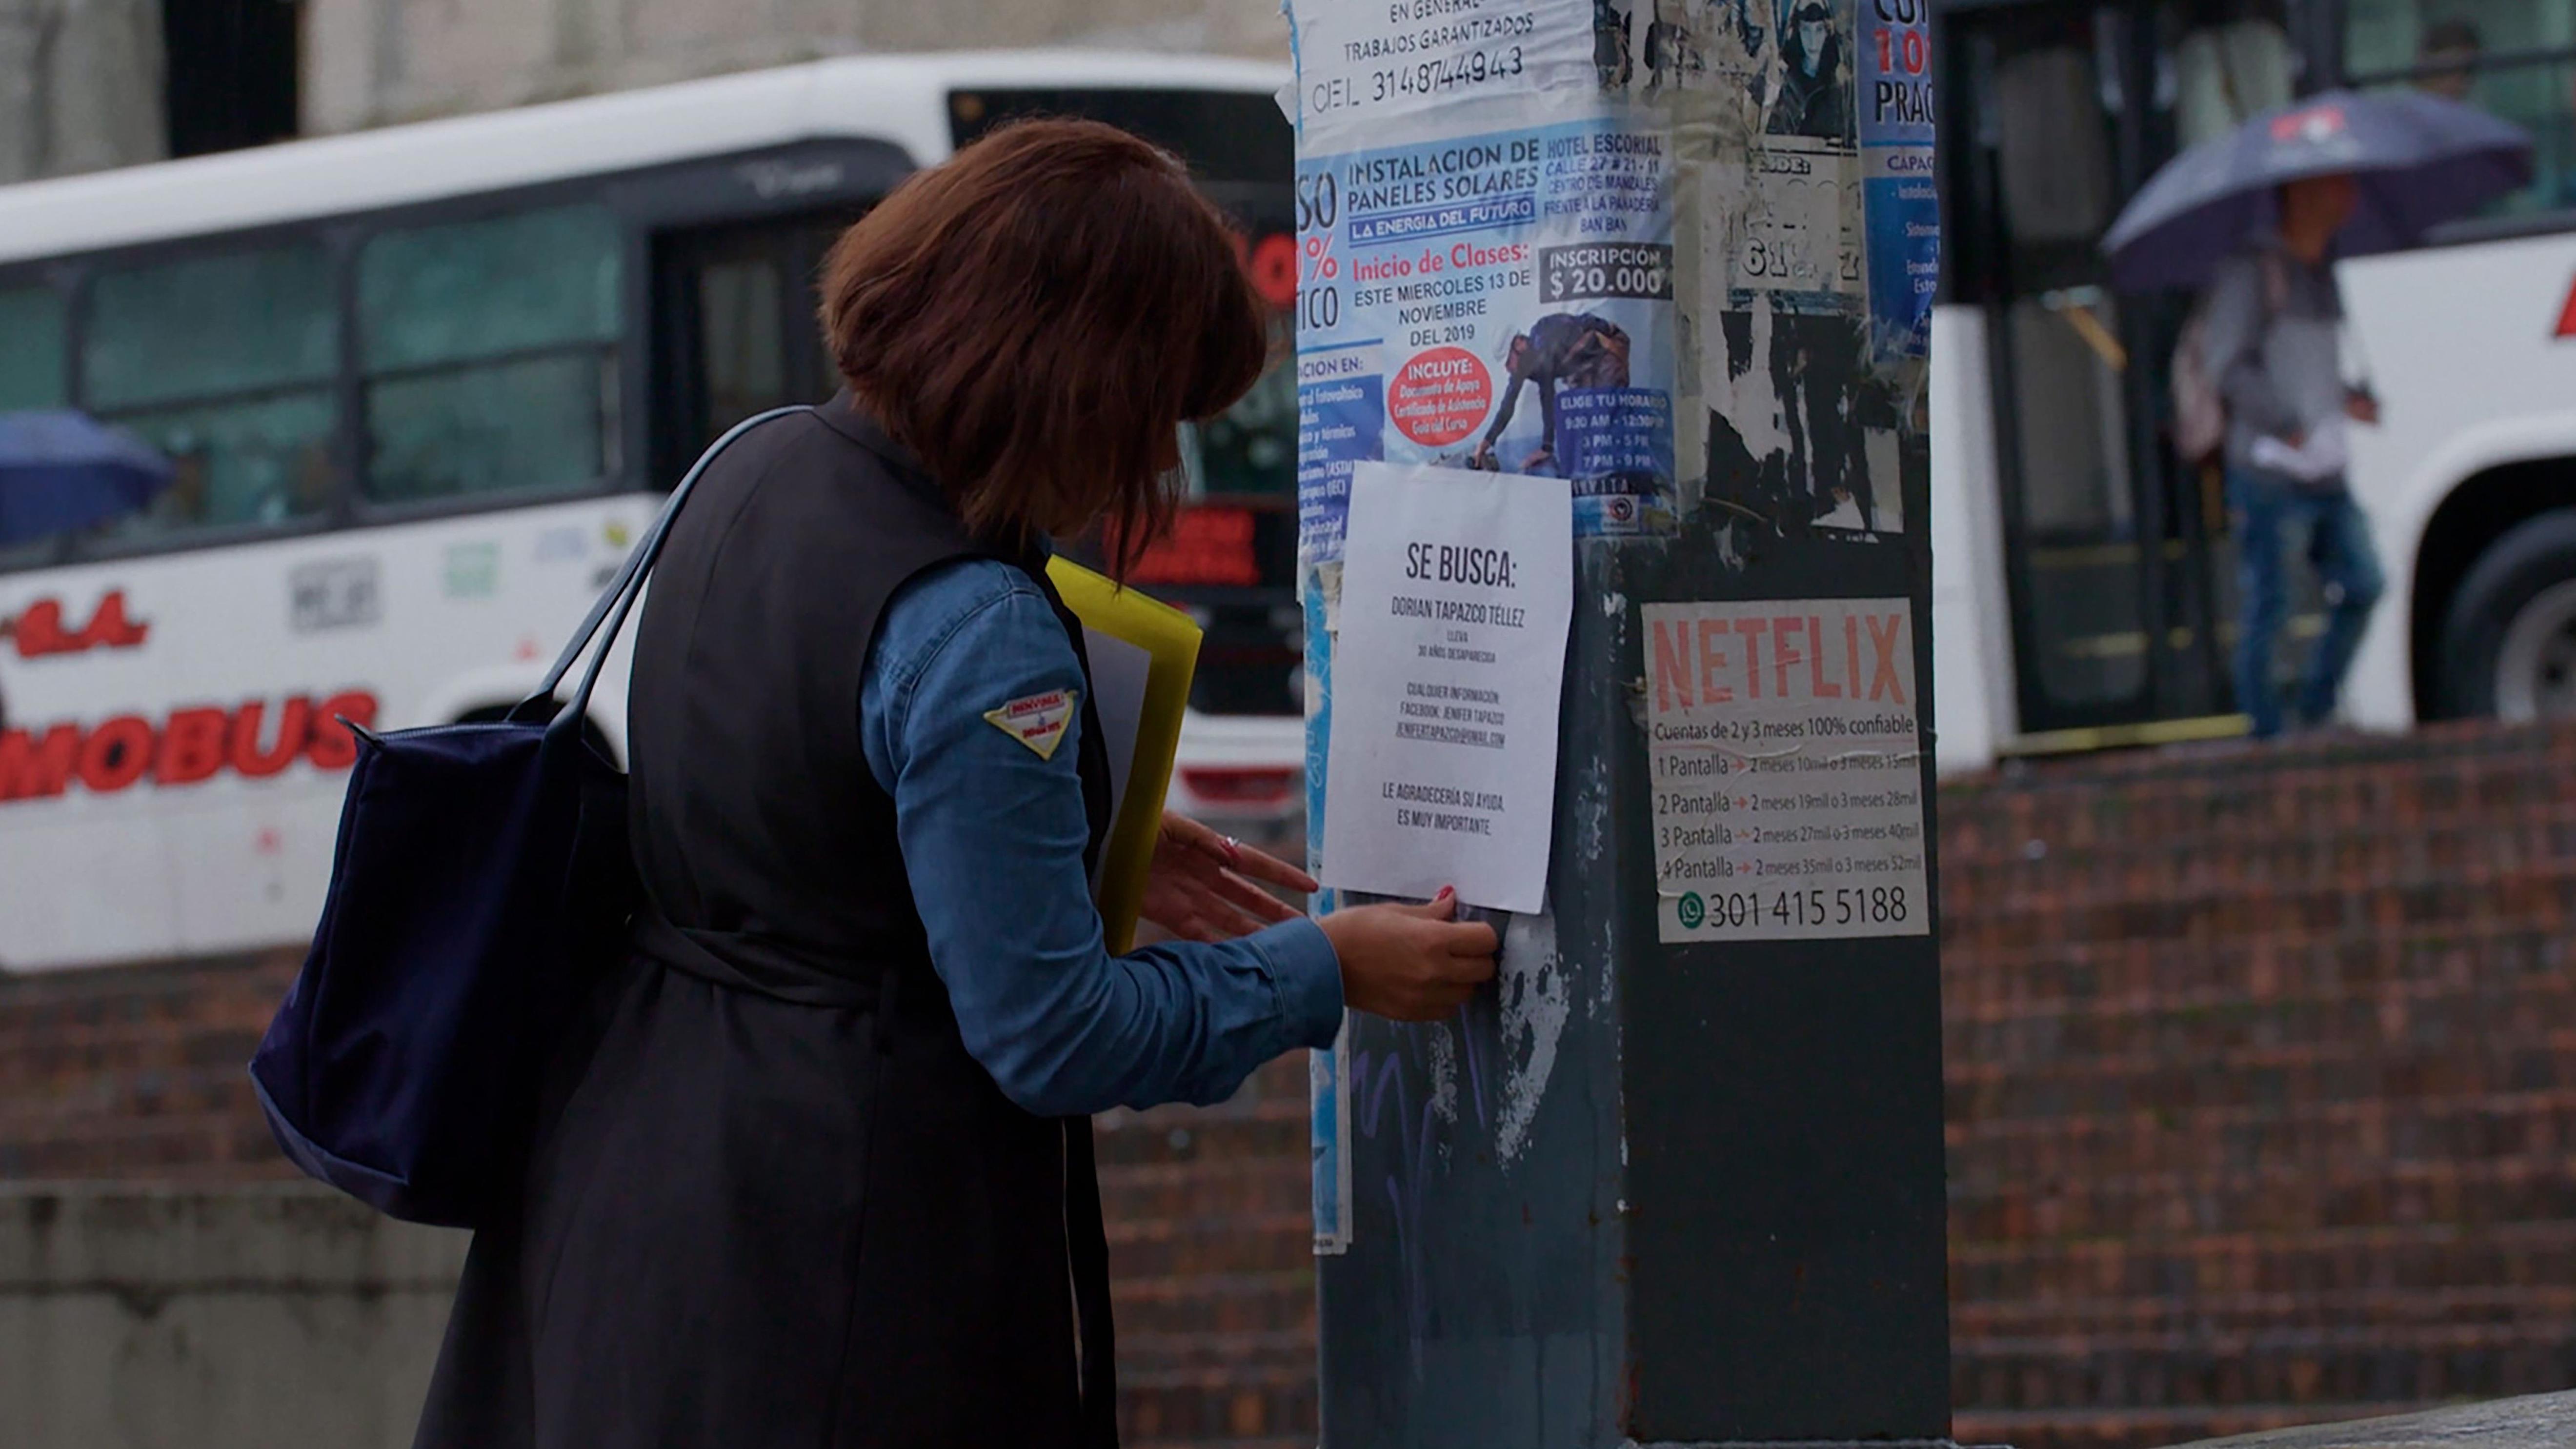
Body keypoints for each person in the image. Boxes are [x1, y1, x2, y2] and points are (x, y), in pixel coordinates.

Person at [411, 120, 1499, 1449]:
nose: (1156, 466)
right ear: (1069, 375)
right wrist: (1328, 968)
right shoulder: (976, 622)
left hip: (625, 1204)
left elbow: (782, 806)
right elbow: (1056, 1033)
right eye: (1153, 411)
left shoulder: (748, 466)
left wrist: (1063, 831)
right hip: (837, 1268)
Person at [2200, 172, 2384, 739]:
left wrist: (2350, 397)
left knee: (2364, 583)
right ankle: (2268, 733)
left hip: (2325, 467)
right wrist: (2286, 423)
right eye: (2336, 186)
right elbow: (2227, 364)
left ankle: (2315, 704)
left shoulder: (2323, 267)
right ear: (2299, 196)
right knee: (2270, 604)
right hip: (2269, 468)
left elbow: (2311, 367)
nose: (2351, 195)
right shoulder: (2253, 270)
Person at [1469, 312, 1631, 473]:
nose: (1508, 369)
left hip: (1607, 344)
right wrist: (1486, 442)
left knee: (1605, 410)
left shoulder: (1544, 345)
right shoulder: (1524, 363)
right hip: (1584, 363)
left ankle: (1623, 471)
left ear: (1519, 344)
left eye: (1508, 361)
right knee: (1581, 418)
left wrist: (1546, 448)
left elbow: (1547, 398)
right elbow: (1508, 405)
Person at [1768, 2, 1850, 141]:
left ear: (1828, 32)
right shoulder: (1781, 80)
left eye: (1819, 30)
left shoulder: (1842, 86)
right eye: (1806, 30)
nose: (1813, 41)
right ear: (1796, 31)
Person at [2417, 18, 2480, 102]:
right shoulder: (2398, 107)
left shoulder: (2472, 114)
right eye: (2449, 69)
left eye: (2467, 71)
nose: (2457, 80)